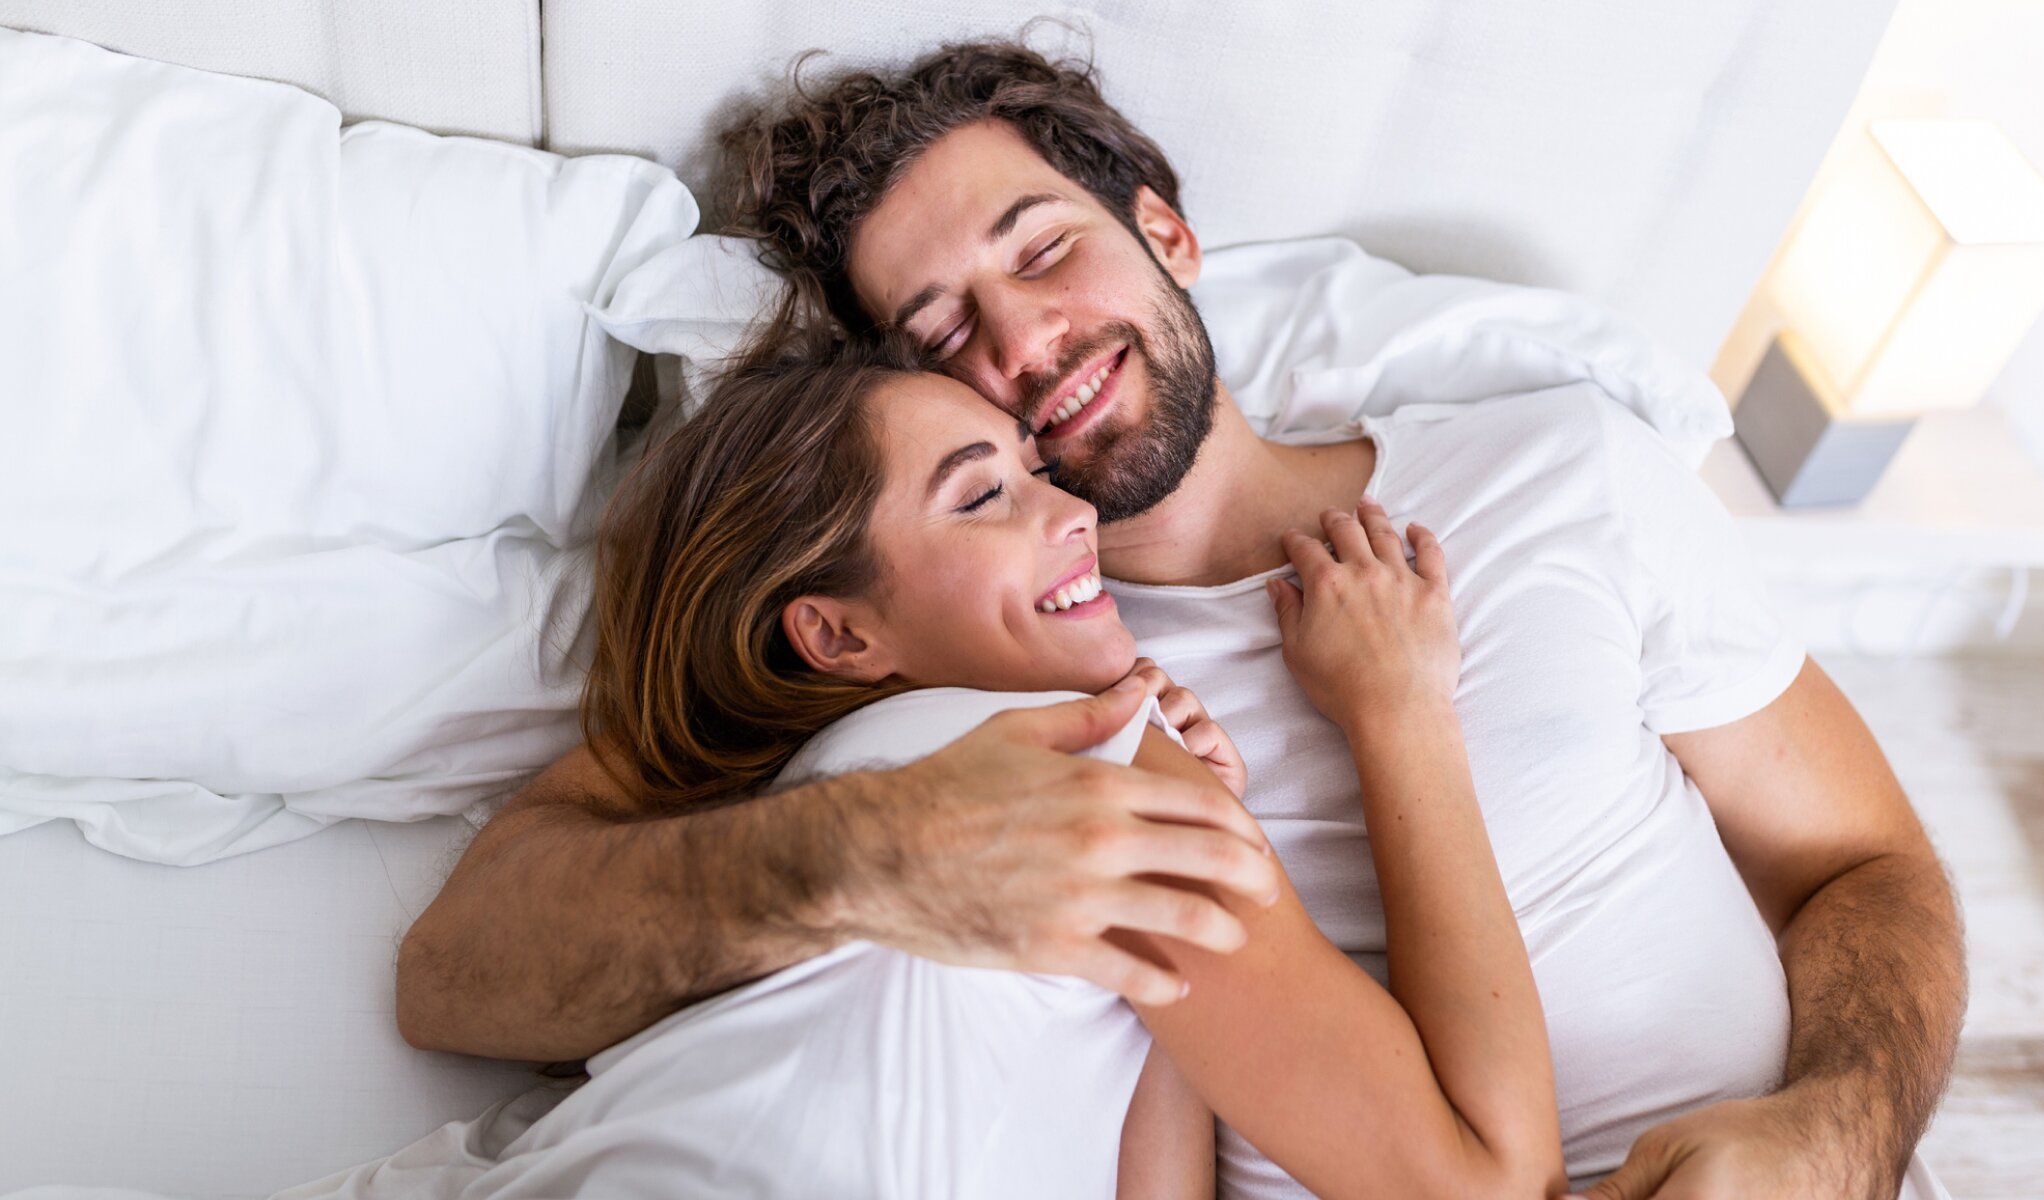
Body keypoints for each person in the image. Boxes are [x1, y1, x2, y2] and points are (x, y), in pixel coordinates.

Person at [397, 39, 1966, 1199]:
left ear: (1170, 235)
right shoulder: (970, 656)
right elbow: (468, 968)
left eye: (1043, 247)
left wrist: (1843, 1125)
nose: (1023, 340)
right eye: (941, 329)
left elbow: (1868, 864)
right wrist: (863, 855)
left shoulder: (1561, 469)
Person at [379, 331, 1562, 1199]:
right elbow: (1483, 1184)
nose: (1074, 513)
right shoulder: (1052, 753)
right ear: (838, 635)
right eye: (982, 494)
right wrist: (1405, 712)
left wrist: (1175, 960)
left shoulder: (762, 818)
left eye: (1037, 472)